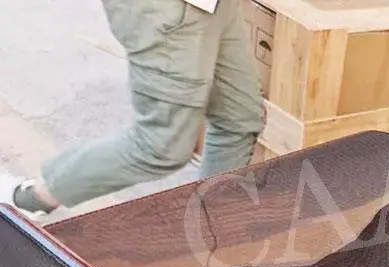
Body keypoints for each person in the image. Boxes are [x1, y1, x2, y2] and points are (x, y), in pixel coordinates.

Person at [1, 0, 264, 218]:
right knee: (160, 146)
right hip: (168, 10)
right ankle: (28, 199)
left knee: (239, 119)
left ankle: (210, 229)